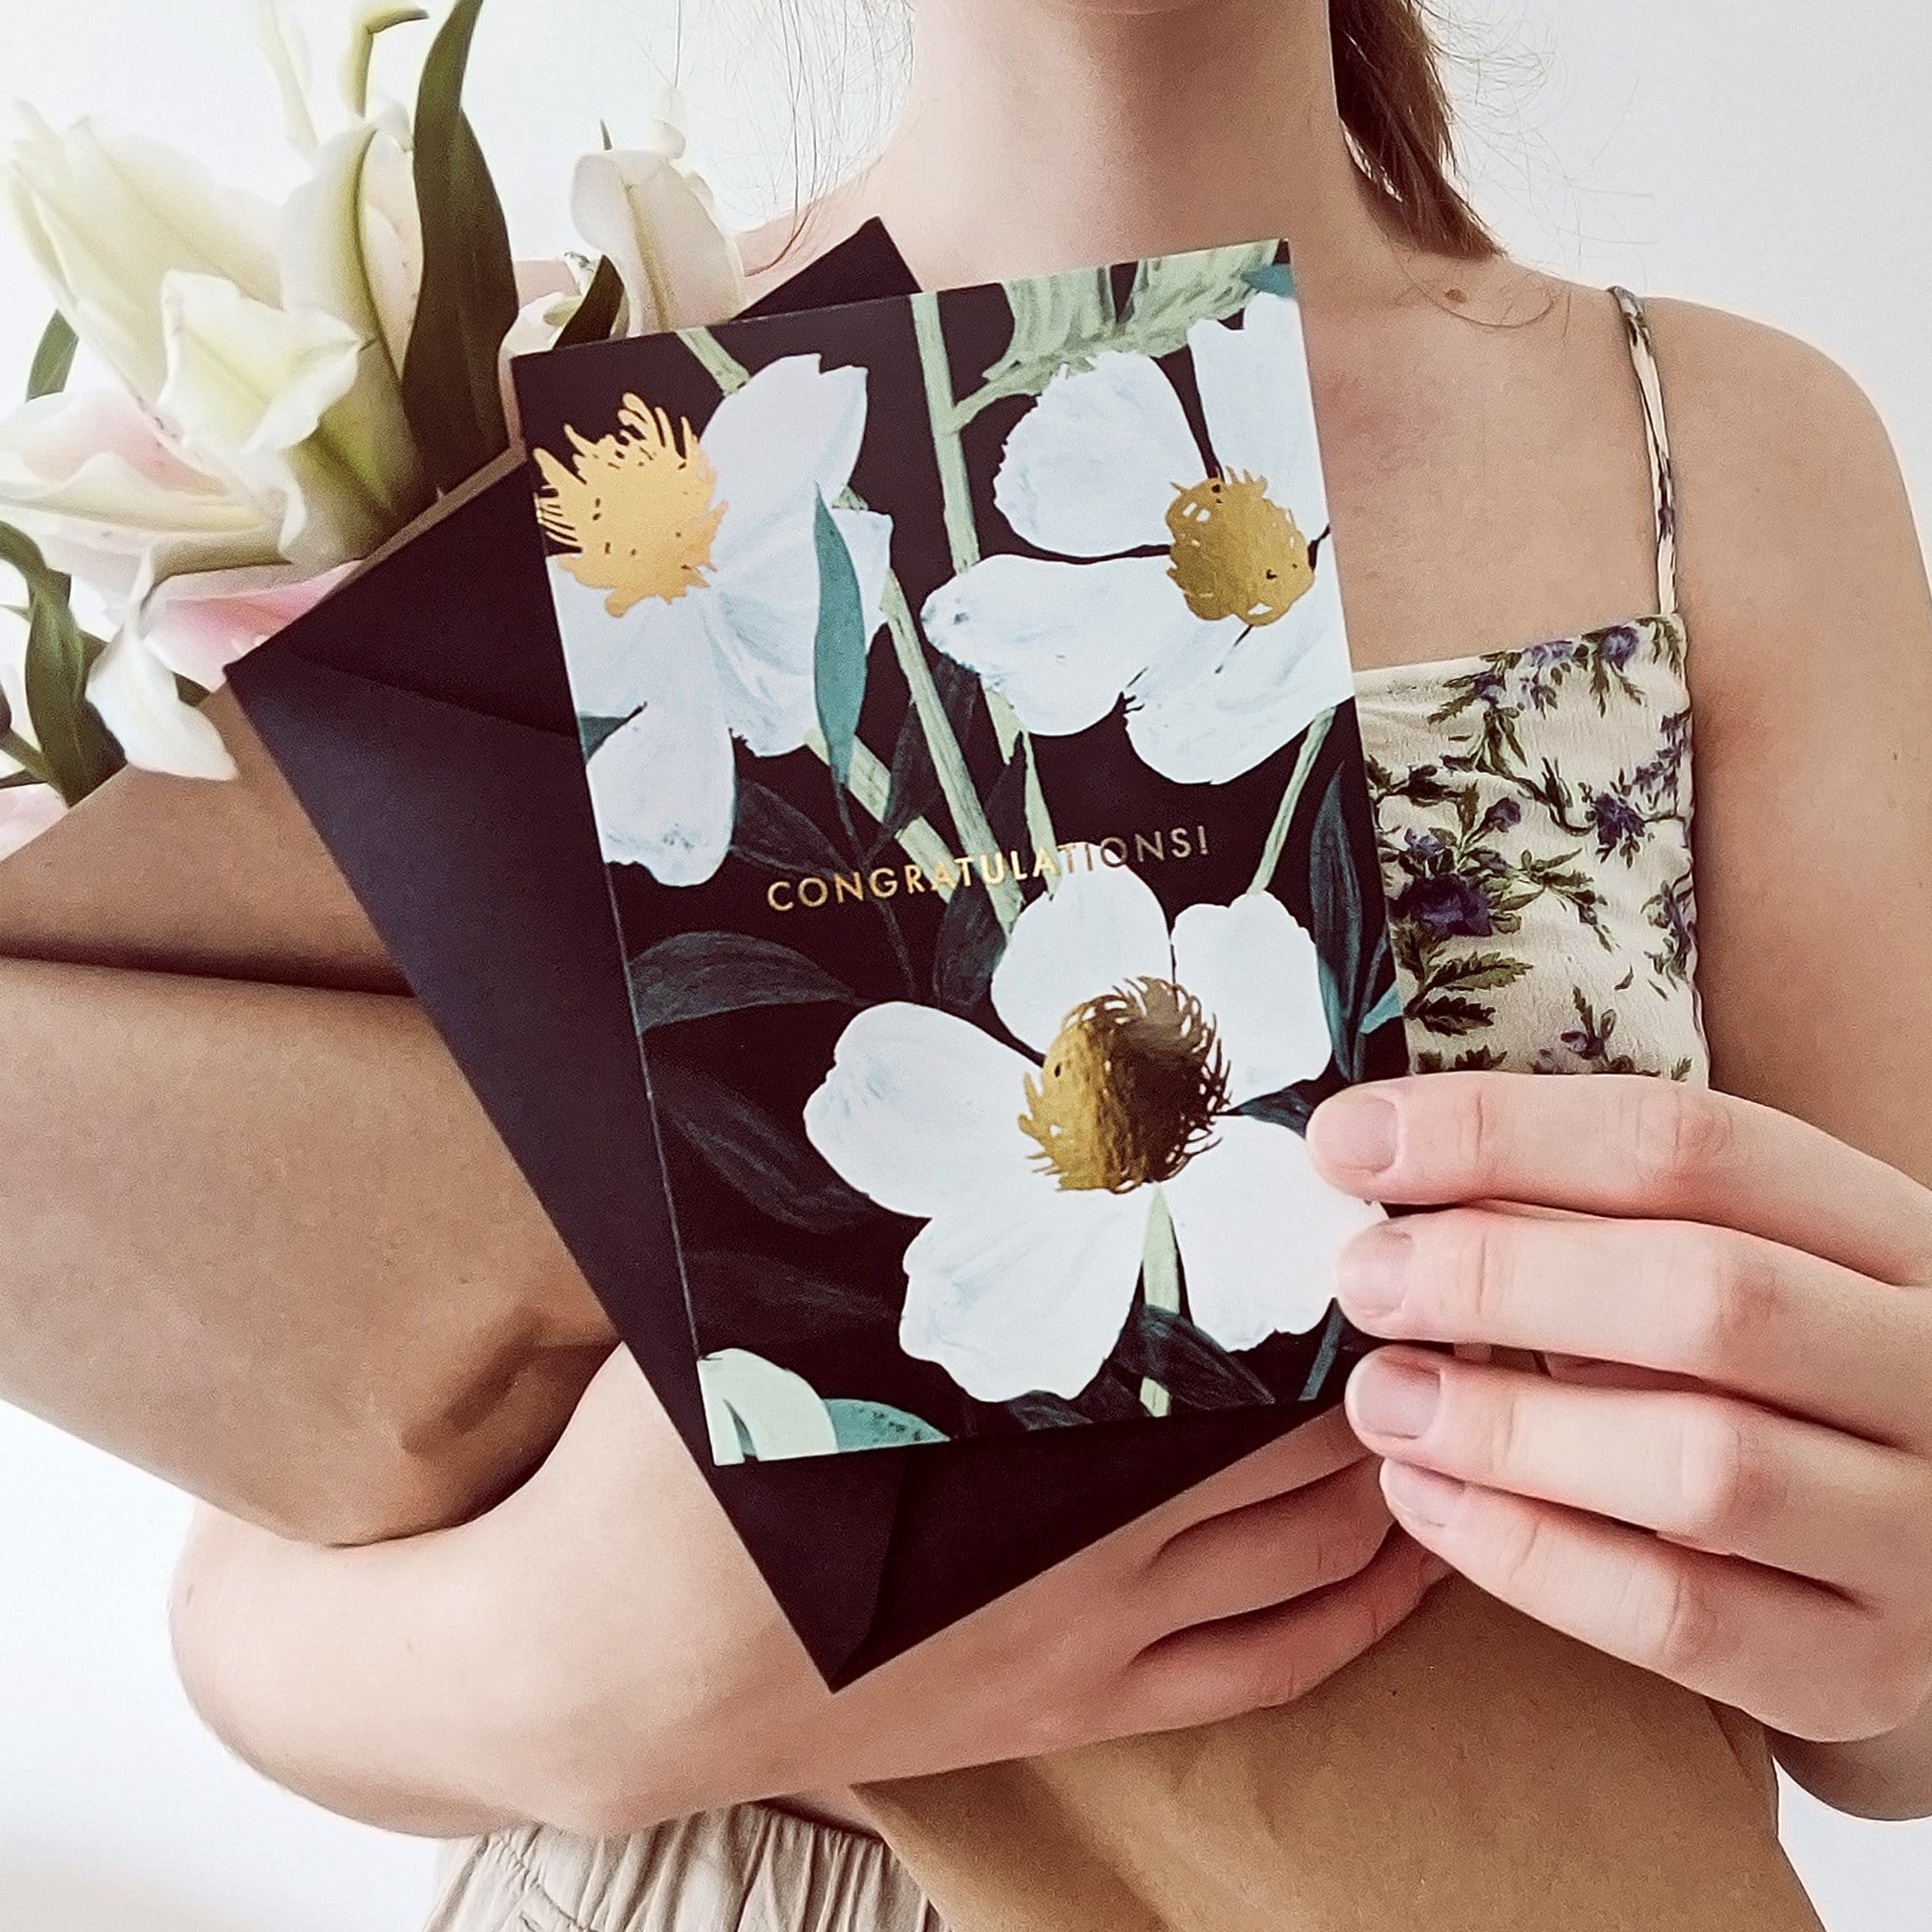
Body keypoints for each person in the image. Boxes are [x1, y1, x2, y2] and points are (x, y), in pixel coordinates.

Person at [105, 0, 1932, 1923]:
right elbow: (261, 1550)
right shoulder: (578, 418)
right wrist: (573, 1674)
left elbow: (1883, 1710)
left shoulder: (1717, 450)